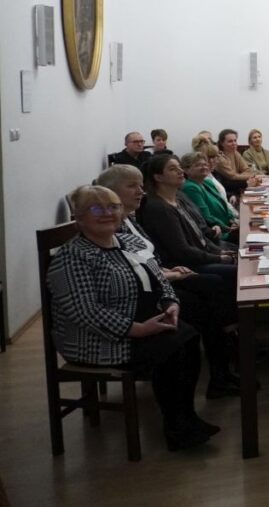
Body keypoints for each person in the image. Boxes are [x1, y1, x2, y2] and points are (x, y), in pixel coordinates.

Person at [47, 185, 217, 450]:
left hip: (141, 320)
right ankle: (176, 428)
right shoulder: (73, 257)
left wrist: (170, 302)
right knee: (172, 348)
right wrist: (136, 329)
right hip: (98, 339)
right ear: (78, 217)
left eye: (113, 207)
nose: (107, 213)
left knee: (189, 338)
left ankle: (186, 416)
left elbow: (159, 278)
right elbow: (85, 312)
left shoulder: (126, 242)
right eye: (96, 208)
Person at [97, 165, 239, 399]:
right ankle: (226, 360)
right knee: (209, 297)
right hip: (143, 294)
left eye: (141, 186)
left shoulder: (131, 218)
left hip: (160, 277)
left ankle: (224, 365)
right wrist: (167, 274)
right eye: (132, 186)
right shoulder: (116, 223)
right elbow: (129, 270)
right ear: (109, 192)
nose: (140, 191)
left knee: (211, 296)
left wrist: (165, 269)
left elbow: (145, 256)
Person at [137, 154, 237, 282]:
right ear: (158, 177)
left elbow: (200, 235)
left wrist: (218, 252)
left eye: (180, 167)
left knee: (241, 255)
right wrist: (218, 258)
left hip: (200, 254)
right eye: (173, 169)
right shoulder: (159, 208)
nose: (180, 171)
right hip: (183, 265)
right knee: (235, 271)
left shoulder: (179, 197)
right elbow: (182, 251)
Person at [180, 152, 239, 242]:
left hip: (229, 226)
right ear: (186, 170)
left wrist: (232, 220)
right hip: (218, 233)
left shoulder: (207, 182)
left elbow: (223, 204)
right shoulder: (190, 188)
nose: (204, 167)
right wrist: (227, 228)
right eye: (198, 165)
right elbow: (205, 216)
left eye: (205, 164)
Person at [214, 129, 260, 197]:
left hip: (238, 187)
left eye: (235, 140)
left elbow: (247, 170)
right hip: (229, 192)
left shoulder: (235, 152)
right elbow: (232, 177)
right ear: (222, 143)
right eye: (230, 141)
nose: (234, 143)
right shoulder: (219, 158)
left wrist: (245, 176)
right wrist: (253, 176)